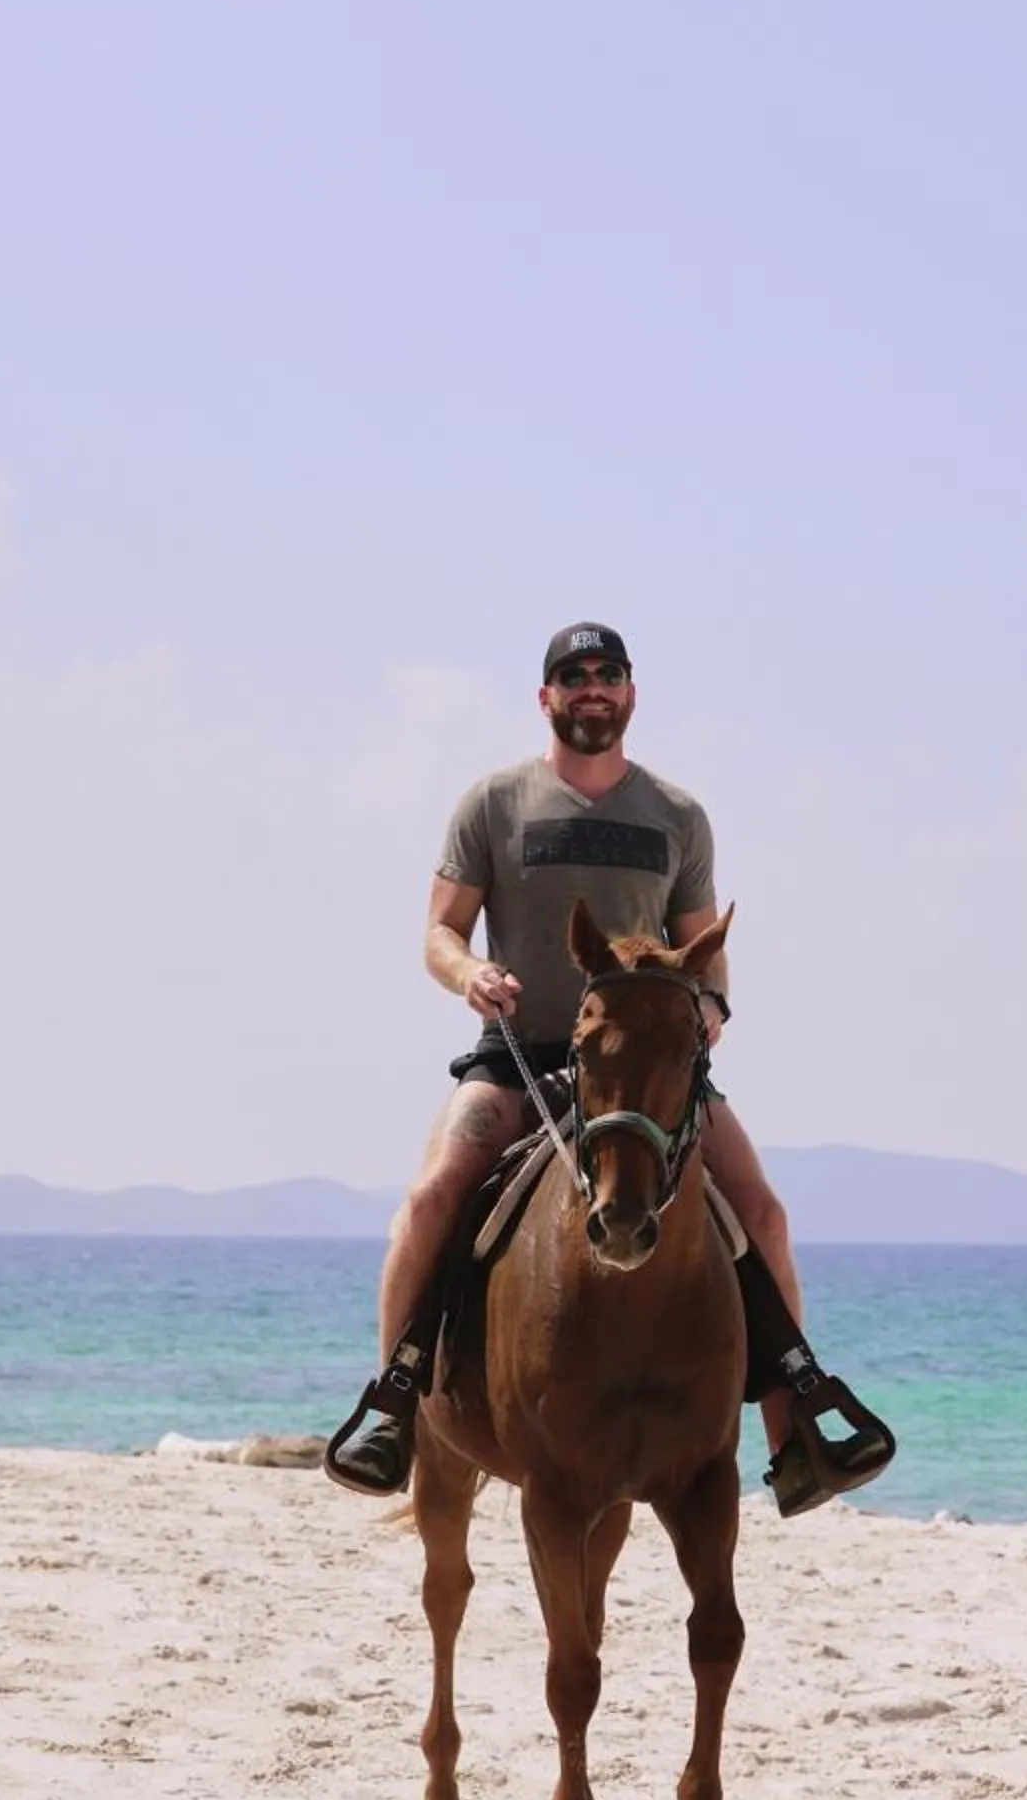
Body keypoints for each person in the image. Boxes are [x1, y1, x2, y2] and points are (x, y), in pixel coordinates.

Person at [327, 622, 895, 1514]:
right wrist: (469, 971)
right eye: (574, 676)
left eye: (608, 675)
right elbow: (440, 932)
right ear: (546, 696)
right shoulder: (492, 802)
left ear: (631, 694)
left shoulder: (677, 815)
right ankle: (394, 1403)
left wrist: (708, 1011)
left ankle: (796, 1432)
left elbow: (702, 949)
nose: (592, 688)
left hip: (648, 1073)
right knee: (434, 1197)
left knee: (766, 1213)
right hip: (522, 1054)